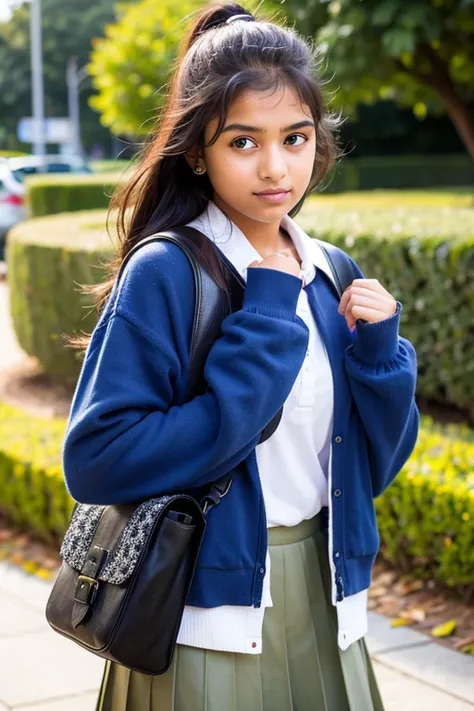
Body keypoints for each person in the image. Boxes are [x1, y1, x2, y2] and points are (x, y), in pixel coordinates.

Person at [62, 4, 420, 710]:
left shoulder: (332, 272)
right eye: (243, 142)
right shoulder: (167, 270)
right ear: (199, 151)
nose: (276, 166)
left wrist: (381, 362)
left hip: (327, 601)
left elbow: (371, 468)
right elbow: (96, 457)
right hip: (205, 617)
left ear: (318, 142)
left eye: (295, 137)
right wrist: (262, 317)